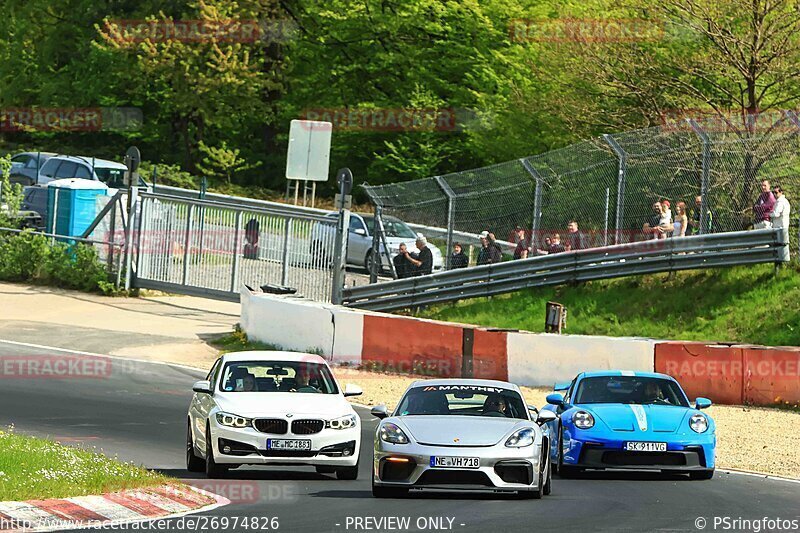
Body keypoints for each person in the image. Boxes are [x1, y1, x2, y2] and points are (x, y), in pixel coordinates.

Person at [771, 185, 791, 262]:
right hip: (783, 225)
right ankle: (783, 261)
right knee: (784, 244)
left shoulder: (780, 202)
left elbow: (776, 214)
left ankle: (780, 261)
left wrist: (769, 214)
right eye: (773, 192)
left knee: (780, 245)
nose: (775, 194)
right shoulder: (785, 201)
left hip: (780, 226)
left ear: (781, 192)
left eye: (776, 192)